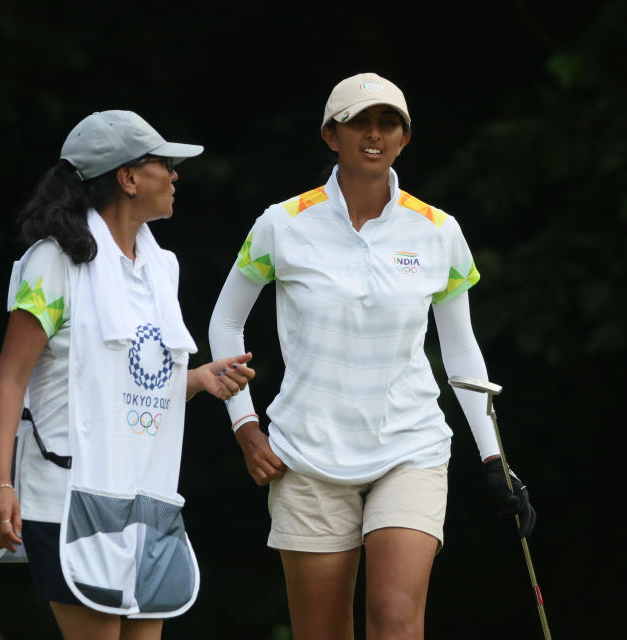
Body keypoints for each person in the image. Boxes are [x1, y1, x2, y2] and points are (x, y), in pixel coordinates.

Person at [208, 73, 538, 640]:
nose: (374, 134)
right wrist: (244, 425)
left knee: (395, 621)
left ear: (405, 139)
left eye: (389, 123)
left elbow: (460, 348)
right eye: (359, 122)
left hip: (409, 446)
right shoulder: (281, 223)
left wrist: (493, 459)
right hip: (306, 453)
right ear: (329, 135)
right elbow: (225, 320)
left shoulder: (439, 231)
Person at [0, 110, 255, 640]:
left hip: (144, 500)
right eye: (164, 165)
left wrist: (197, 379)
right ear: (128, 178)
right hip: (66, 497)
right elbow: (10, 379)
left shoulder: (159, 269)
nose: (175, 175)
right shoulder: (52, 264)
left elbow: (125, 383)